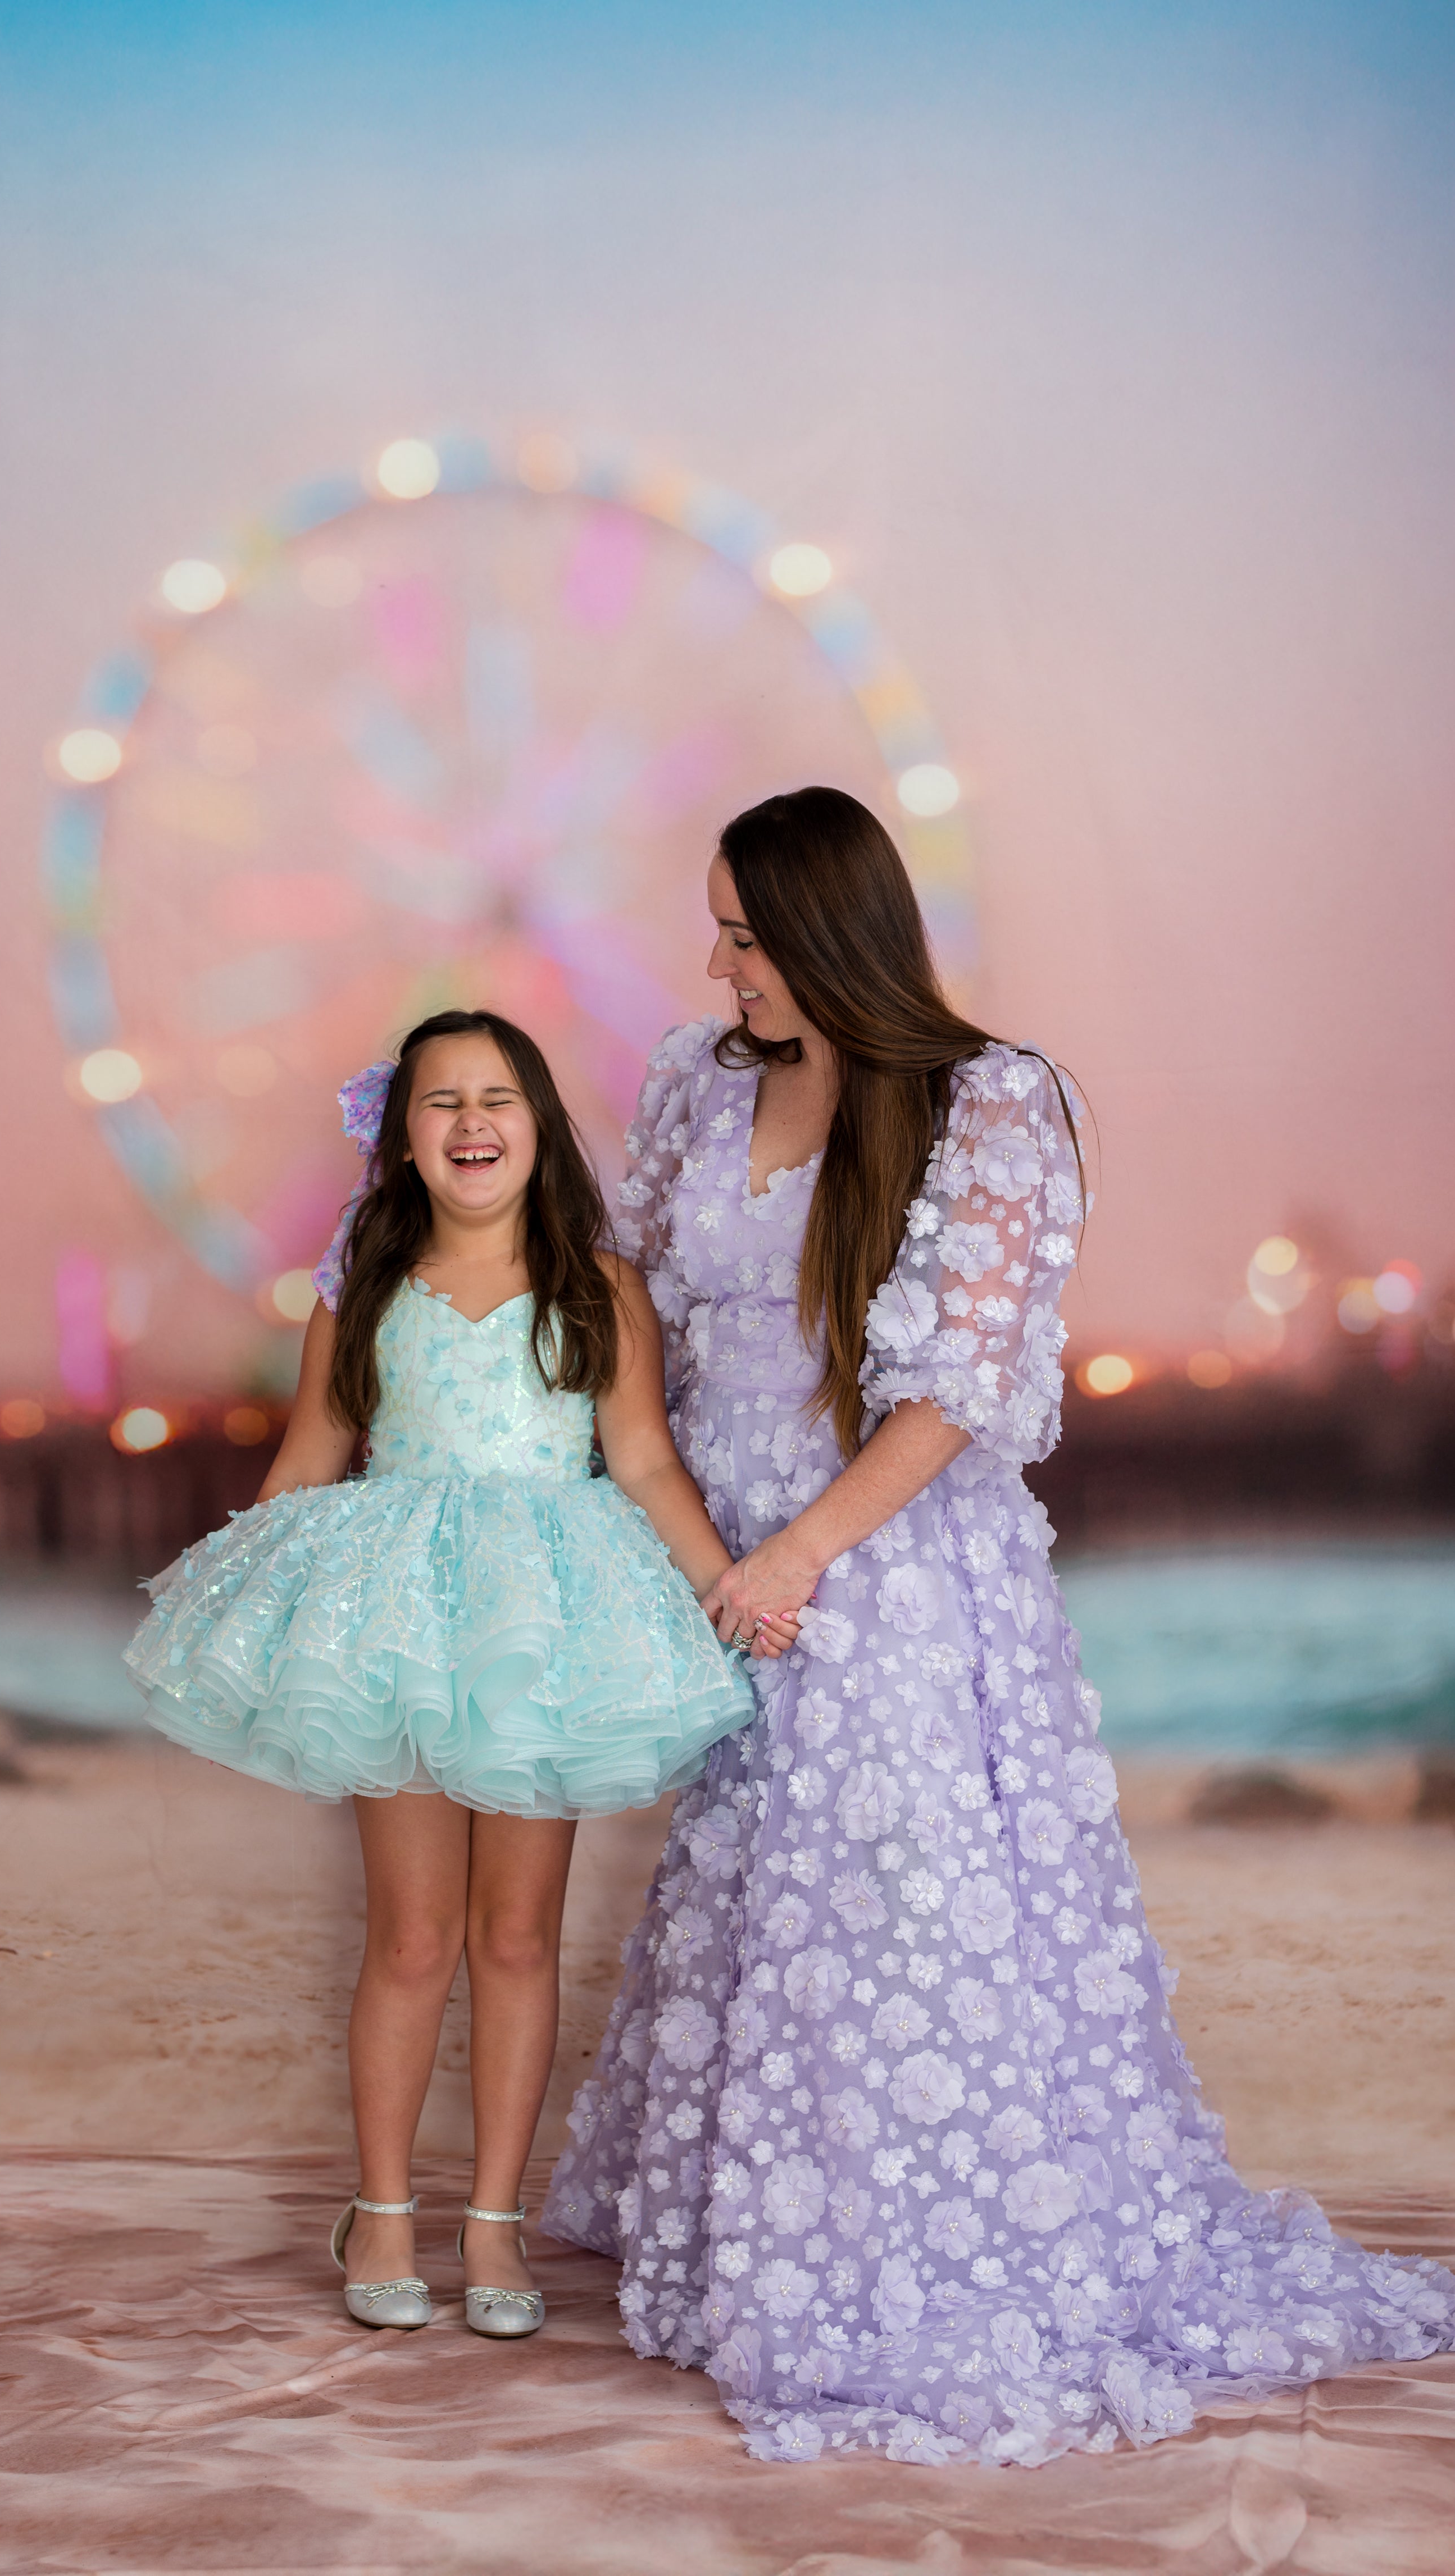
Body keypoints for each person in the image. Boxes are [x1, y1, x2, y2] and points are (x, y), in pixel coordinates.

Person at [544, 786, 1454, 2461]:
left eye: (746, 935)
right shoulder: (691, 1083)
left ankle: (898, 2255)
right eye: (718, 931)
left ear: (828, 932)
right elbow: (626, 1309)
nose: (717, 960)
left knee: (885, 1911)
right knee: (747, 1890)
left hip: (882, 1565)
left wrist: (800, 1557)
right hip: (712, 1547)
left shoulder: (987, 1103)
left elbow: (961, 1383)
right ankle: (745, 2228)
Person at [126, 1009, 786, 2343]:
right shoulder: (358, 1289)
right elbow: (312, 1453)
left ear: (537, 1124)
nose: (470, 1123)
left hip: (547, 1626)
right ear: (402, 1136)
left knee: (513, 1936)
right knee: (415, 1934)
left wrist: (723, 1582)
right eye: (440, 1102)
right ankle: (380, 2205)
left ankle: (492, 2217)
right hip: (402, 1623)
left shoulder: (599, 1286)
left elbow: (643, 1459)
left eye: (496, 1098)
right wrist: (248, 1600)